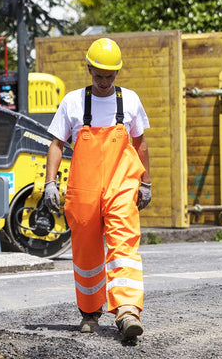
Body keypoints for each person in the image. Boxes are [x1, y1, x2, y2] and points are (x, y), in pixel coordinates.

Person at [44, 37, 152, 340]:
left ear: (117, 72)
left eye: (110, 76)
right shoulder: (73, 102)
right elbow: (56, 144)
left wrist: (145, 183)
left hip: (121, 185)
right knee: (87, 253)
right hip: (84, 191)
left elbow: (140, 144)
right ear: (89, 69)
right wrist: (50, 182)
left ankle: (128, 311)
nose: (104, 82)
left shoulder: (129, 100)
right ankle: (90, 314)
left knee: (124, 246)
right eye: (98, 75)